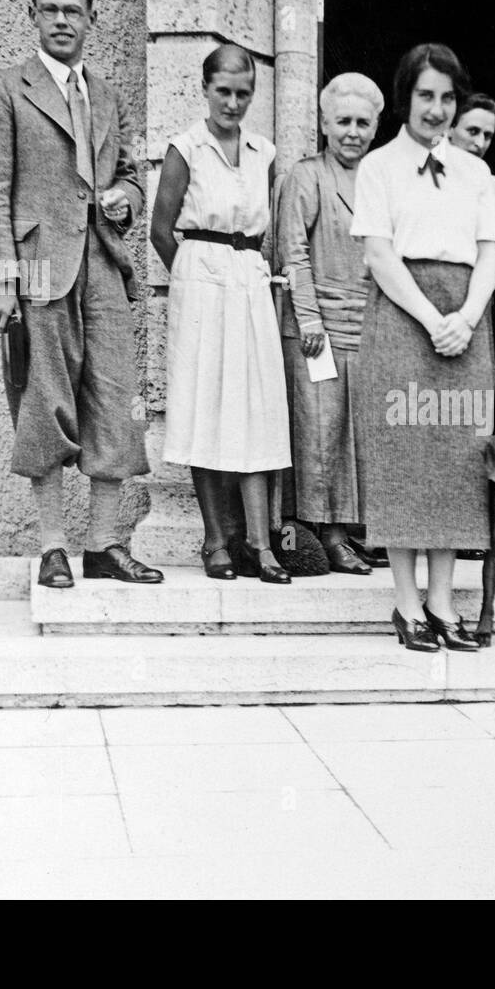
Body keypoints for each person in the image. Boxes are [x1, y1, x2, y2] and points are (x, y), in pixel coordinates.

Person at [0, 0, 161, 589]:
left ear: (91, 20)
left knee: (112, 400)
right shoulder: (3, 90)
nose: (60, 21)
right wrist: (0, 276)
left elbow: (133, 172)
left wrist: (125, 199)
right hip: (40, 268)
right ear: (32, 16)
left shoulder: (105, 95)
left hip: (102, 267)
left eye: (72, 11)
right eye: (48, 10)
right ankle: (52, 547)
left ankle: (104, 545)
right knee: (43, 402)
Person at [350, 43, 495, 652]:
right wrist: (431, 316)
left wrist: (466, 316)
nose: (437, 110)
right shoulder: (379, 167)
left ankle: (443, 602)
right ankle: (406, 604)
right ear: (405, 100)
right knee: (404, 458)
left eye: (446, 98)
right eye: (425, 97)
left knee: (455, 462)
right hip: (403, 316)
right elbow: (379, 255)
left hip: (465, 325)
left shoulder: (476, 174)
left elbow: (490, 253)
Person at [150, 44, 292, 584]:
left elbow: (270, 228)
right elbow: (162, 230)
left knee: (255, 407)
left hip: (249, 279)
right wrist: (194, 274)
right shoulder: (185, 148)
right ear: (205, 89)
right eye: (223, 92)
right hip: (202, 283)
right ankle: (215, 540)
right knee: (206, 404)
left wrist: (247, 272)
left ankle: (259, 541)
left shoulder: (264, 151)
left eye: (243, 93)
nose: (233, 103)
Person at [274, 72, 385, 576]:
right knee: (320, 432)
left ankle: (352, 529)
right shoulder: (305, 176)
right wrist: (311, 318)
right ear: (323, 122)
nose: (352, 132)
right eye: (343, 121)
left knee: (354, 434)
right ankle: (329, 536)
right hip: (315, 328)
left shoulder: (382, 179)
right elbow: (292, 254)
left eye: (363, 123)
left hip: (366, 324)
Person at [449, 92, 495, 561]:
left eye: (488, 135)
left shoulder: (493, 187)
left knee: (472, 424)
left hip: (476, 313)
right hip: (432, 314)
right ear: (449, 127)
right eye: (472, 130)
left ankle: (471, 530)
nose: (480, 142)